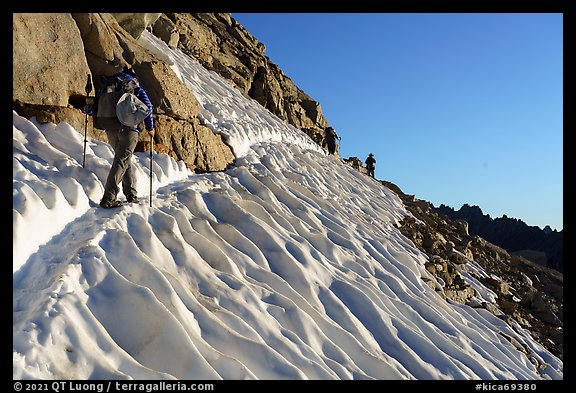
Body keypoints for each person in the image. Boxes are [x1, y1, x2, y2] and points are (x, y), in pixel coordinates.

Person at [87, 67, 155, 208]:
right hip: (129, 129)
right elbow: (147, 107)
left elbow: (95, 105)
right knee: (121, 161)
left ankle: (131, 194)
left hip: (110, 128)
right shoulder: (133, 87)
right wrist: (150, 128)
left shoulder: (109, 85)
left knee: (124, 159)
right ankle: (109, 197)